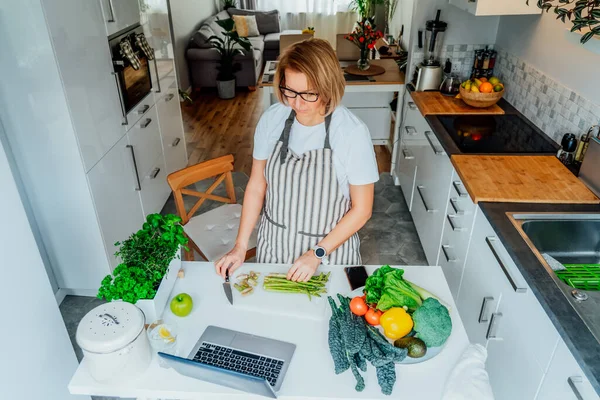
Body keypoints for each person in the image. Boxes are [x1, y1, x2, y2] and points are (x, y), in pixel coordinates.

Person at [215, 38, 378, 282]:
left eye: (308, 94)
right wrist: (240, 246)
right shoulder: (272, 120)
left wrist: (316, 253)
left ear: (328, 87)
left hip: (331, 257)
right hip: (275, 250)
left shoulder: (352, 133)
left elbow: (362, 210)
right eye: (290, 91)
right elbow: (257, 185)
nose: (297, 103)